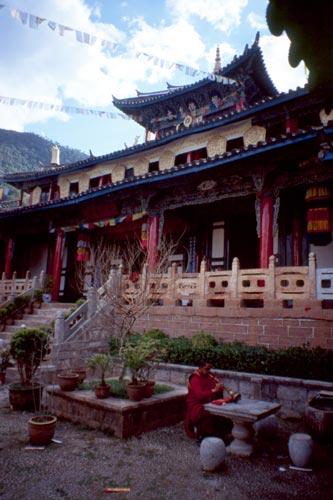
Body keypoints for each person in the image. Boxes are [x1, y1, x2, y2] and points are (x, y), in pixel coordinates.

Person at [184, 360, 233, 440]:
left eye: (210, 369)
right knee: (209, 414)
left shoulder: (210, 376)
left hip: (208, 402)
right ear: (200, 368)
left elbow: (216, 390)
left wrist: (219, 386)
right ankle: (207, 436)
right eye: (207, 369)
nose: (209, 371)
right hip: (196, 404)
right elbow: (199, 395)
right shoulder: (194, 378)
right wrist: (214, 390)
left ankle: (222, 433)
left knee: (222, 411)